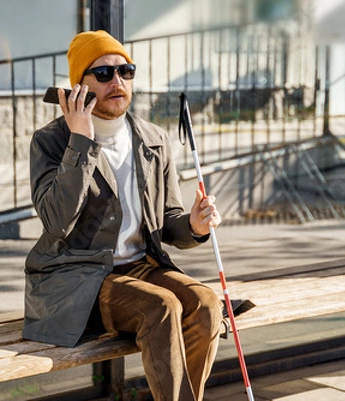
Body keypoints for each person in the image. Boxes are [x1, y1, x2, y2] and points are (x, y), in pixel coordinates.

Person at [23, 30, 224, 401]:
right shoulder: (51, 141)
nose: (117, 82)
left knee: (208, 305)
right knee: (161, 308)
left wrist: (194, 226)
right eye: (103, 74)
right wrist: (80, 141)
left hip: (141, 267)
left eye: (125, 71)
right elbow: (56, 222)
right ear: (78, 87)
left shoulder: (154, 139)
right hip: (79, 278)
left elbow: (168, 220)